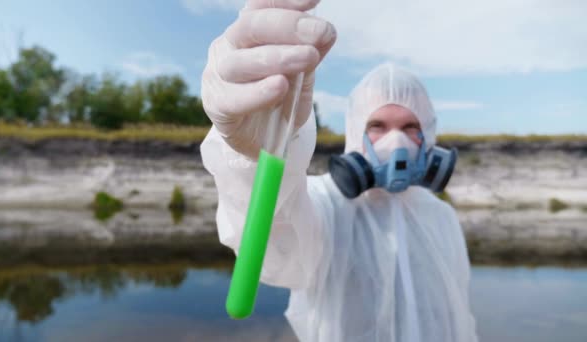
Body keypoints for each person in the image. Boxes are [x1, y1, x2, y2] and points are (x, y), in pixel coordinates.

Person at [200, 1, 478, 341]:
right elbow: (280, 244)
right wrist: (257, 157)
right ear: (355, 130)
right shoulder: (327, 205)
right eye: (377, 125)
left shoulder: (441, 217)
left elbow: (459, 314)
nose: (396, 141)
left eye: (410, 126)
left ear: (429, 135)